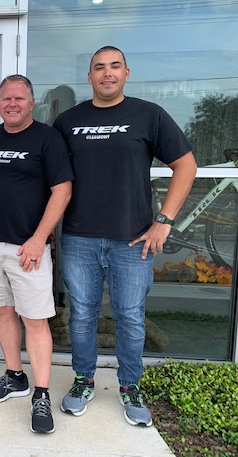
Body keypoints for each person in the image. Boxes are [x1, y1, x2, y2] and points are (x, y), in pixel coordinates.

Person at [53, 46, 197, 427]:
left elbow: (186, 165)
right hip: (79, 238)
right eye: (99, 67)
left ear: (126, 73)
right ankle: (84, 380)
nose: (107, 73)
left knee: (130, 318)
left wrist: (164, 220)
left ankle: (130, 386)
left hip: (133, 240)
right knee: (81, 316)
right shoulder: (68, 121)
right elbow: (50, 176)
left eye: (114, 66)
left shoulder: (149, 115)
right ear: (89, 77)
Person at [0, 75, 73, 434]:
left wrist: (38, 238)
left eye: (19, 98)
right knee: (2, 312)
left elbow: (62, 191)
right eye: (6, 99)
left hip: (27, 248)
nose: (12, 104)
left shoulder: (47, 139)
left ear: (32, 103)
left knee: (34, 320)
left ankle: (41, 394)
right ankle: (15, 376)